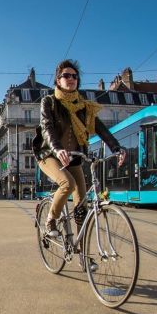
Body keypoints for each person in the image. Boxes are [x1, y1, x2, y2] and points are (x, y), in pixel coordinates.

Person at [35, 60, 126, 237]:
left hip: (75, 158)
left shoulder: (84, 107)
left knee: (82, 206)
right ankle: (50, 221)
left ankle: (83, 254)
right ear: (58, 80)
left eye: (74, 76)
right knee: (67, 184)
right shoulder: (49, 102)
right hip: (49, 155)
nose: (71, 79)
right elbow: (47, 127)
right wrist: (57, 148)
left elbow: (100, 129)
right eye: (66, 75)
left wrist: (116, 147)